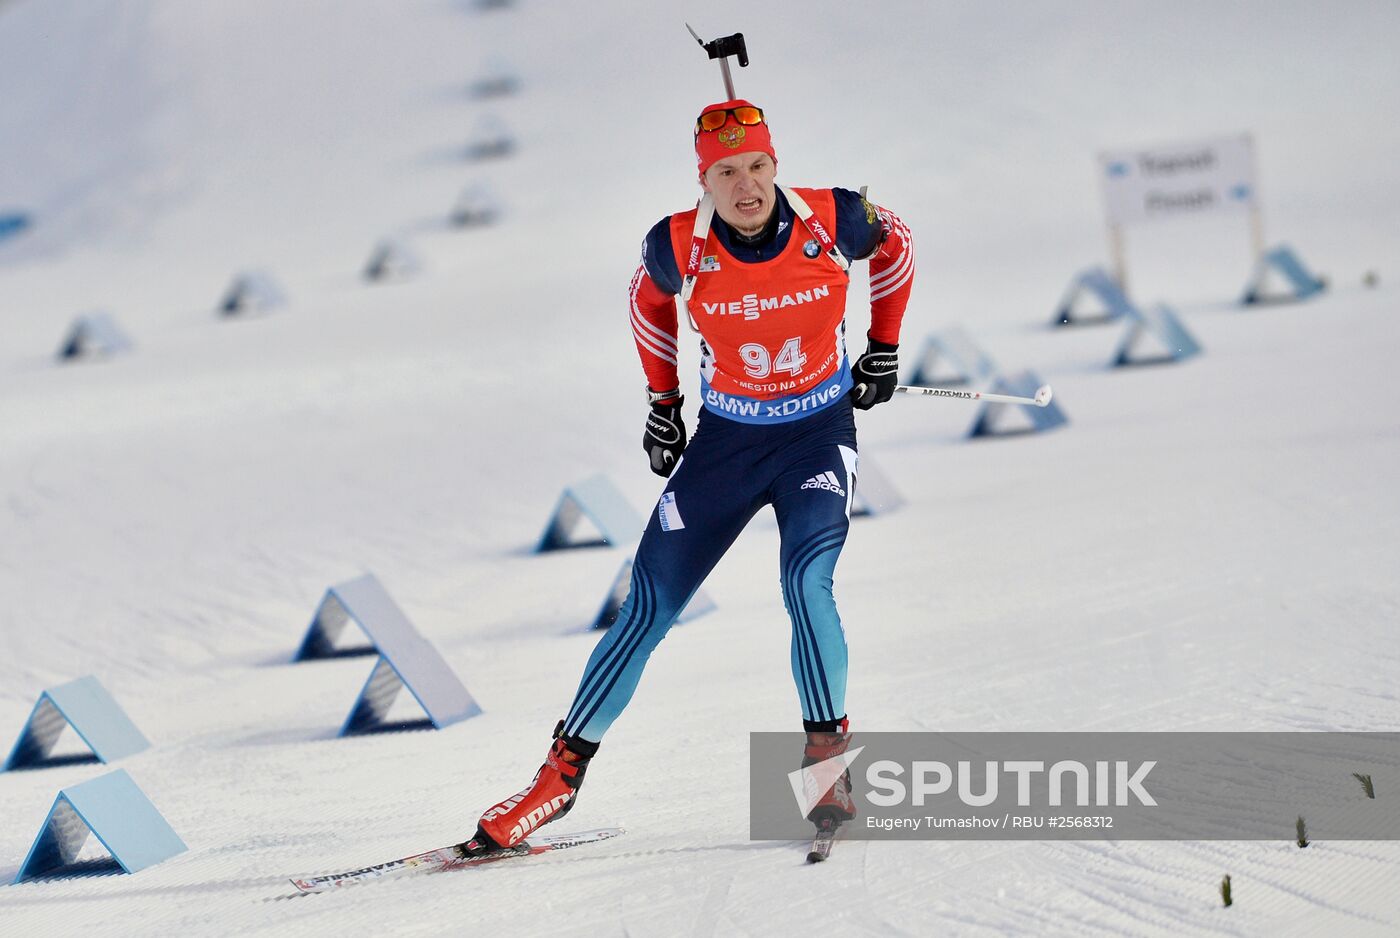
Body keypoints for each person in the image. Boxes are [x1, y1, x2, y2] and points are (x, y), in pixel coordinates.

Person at [465, 98, 914, 853]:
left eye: (758, 166)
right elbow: (646, 303)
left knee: (806, 583)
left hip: (815, 437)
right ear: (703, 180)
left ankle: (828, 774)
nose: (746, 186)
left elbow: (896, 244)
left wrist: (885, 345)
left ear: (776, 165)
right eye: (726, 172)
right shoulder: (679, 243)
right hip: (726, 445)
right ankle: (556, 783)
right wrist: (663, 403)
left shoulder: (831, 217)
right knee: (647, 605)